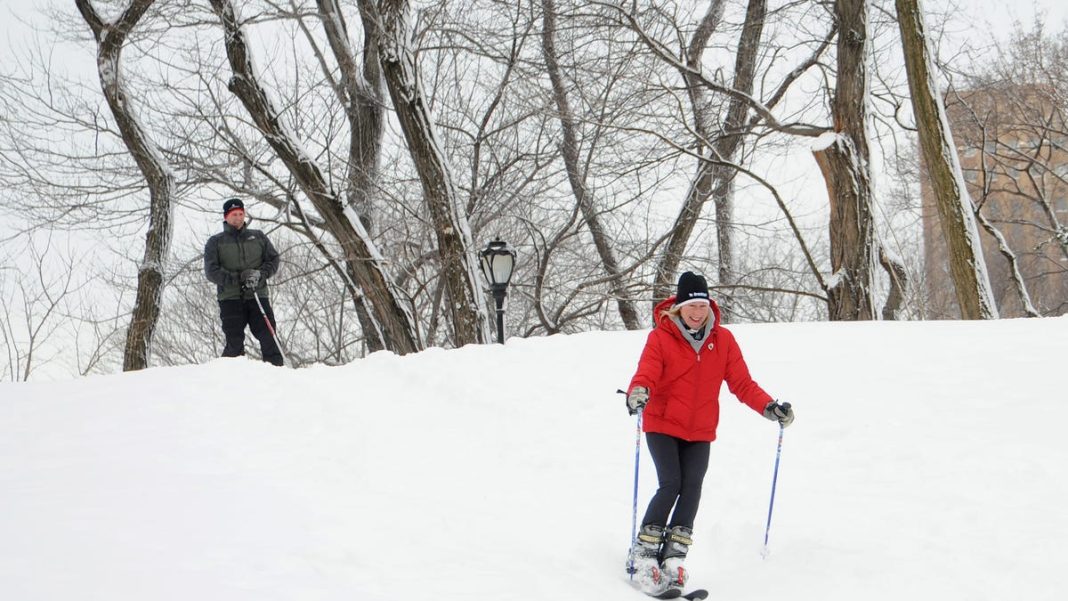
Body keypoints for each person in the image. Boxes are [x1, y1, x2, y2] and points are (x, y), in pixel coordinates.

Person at [625, 271, 794, 593]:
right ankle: (644, 553)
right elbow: (647, 371)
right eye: (691, 306)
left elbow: (742, 383)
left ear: (709, 307)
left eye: (702, 306)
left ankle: (674, 556)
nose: (697, 312)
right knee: (671, 483)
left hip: (700, 429)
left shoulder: (723, 340)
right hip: (662, 422)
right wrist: (639, 392)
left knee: (692, 488)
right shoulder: (661, 337)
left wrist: (769, 407)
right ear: (678, 307)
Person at [203, 197, 284, 366]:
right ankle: (233, 380)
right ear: (226, 217)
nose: (238, 218)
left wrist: (259, 275)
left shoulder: (258, 237)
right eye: (234, 214)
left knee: (269, 337)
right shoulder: (216, 242)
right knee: (234, 342)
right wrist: (237, 278)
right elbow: (212, 272)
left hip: (257, 295)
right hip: (230, 298)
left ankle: (277, 375)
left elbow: (273, 260)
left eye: (240, 214)